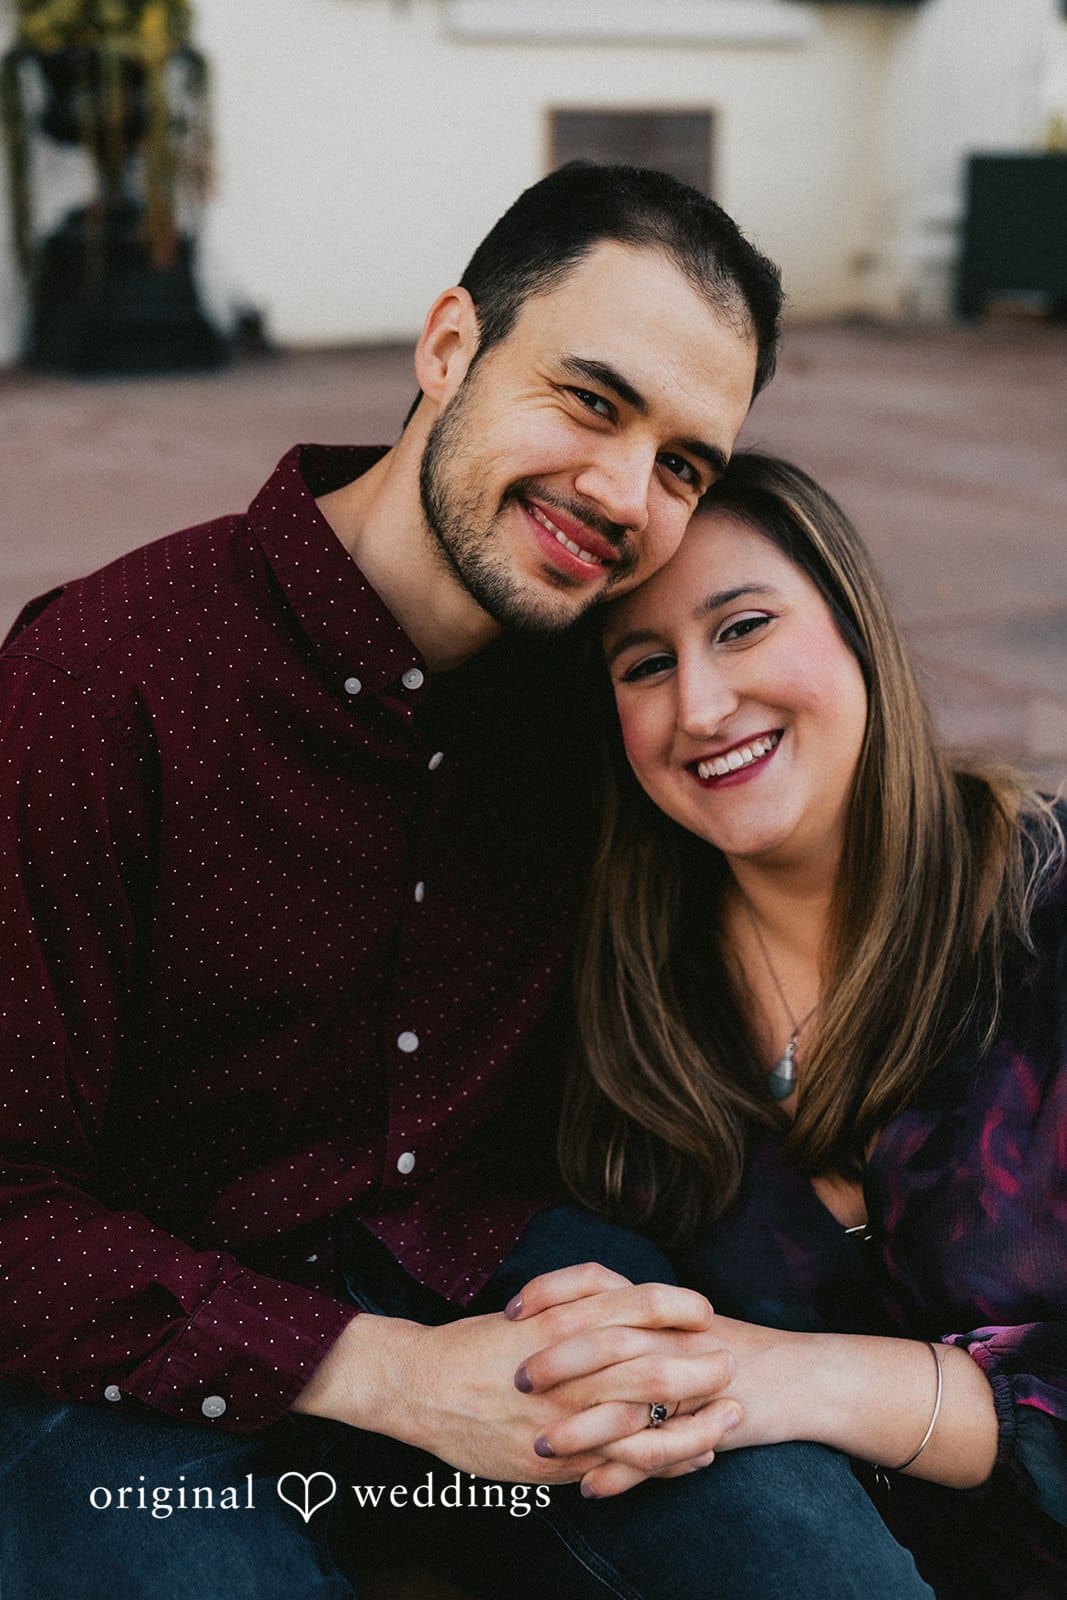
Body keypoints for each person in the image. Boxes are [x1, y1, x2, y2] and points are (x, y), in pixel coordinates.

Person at [1, 166, 936, 1599]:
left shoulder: (606, 692)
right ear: (447, 347)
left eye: (682, 461)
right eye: (590, 399)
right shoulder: (100, 682)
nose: (624, 494)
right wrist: (376, 1376)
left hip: (495, 1263)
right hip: (129, 1350)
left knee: (808, 1565)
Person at [533, 452, 1067, 1598]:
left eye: (741, 626)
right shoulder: (623, 999)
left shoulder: (1044, 915)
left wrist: (807, 1379)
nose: (700, 706)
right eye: (643, 664)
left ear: (852, 625)